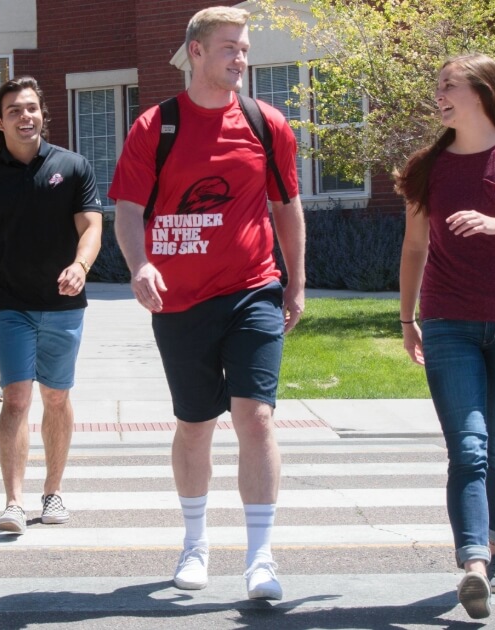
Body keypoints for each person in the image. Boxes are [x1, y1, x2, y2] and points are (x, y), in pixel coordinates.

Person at [109, 6, 306, 602]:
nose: (241, 57)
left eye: (244, 48)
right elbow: (127, 211)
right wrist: (140, 262)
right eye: (229, 47)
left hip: (253, 289)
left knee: (257, 417)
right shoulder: (155, 127)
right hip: (181, 301)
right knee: (195, 425)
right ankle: (195, 543)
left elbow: (286, 209)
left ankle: (261, 557)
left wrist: (296, 283)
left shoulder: (266, 124)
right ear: (195, 51)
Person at [394, 53, 495, 619]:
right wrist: (407, 319)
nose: (438, 94)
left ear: (481, 91)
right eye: (436, 85)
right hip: (447, 323)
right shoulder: (429, 167)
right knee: (468, 447)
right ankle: (473, 566)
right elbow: (414, 248)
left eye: (447, 85)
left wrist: (491, 223)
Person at [0, 76, 103, 536]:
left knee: (56, 397)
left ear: (43, 114)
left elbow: (92, 227)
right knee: (16, 397)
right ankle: (14, 501)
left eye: (32, 109)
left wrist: (80, 265)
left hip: (63, 305)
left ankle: (53, 491)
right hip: (10, 305)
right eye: (16, 111)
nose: (26, 116)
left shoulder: (73, 166)